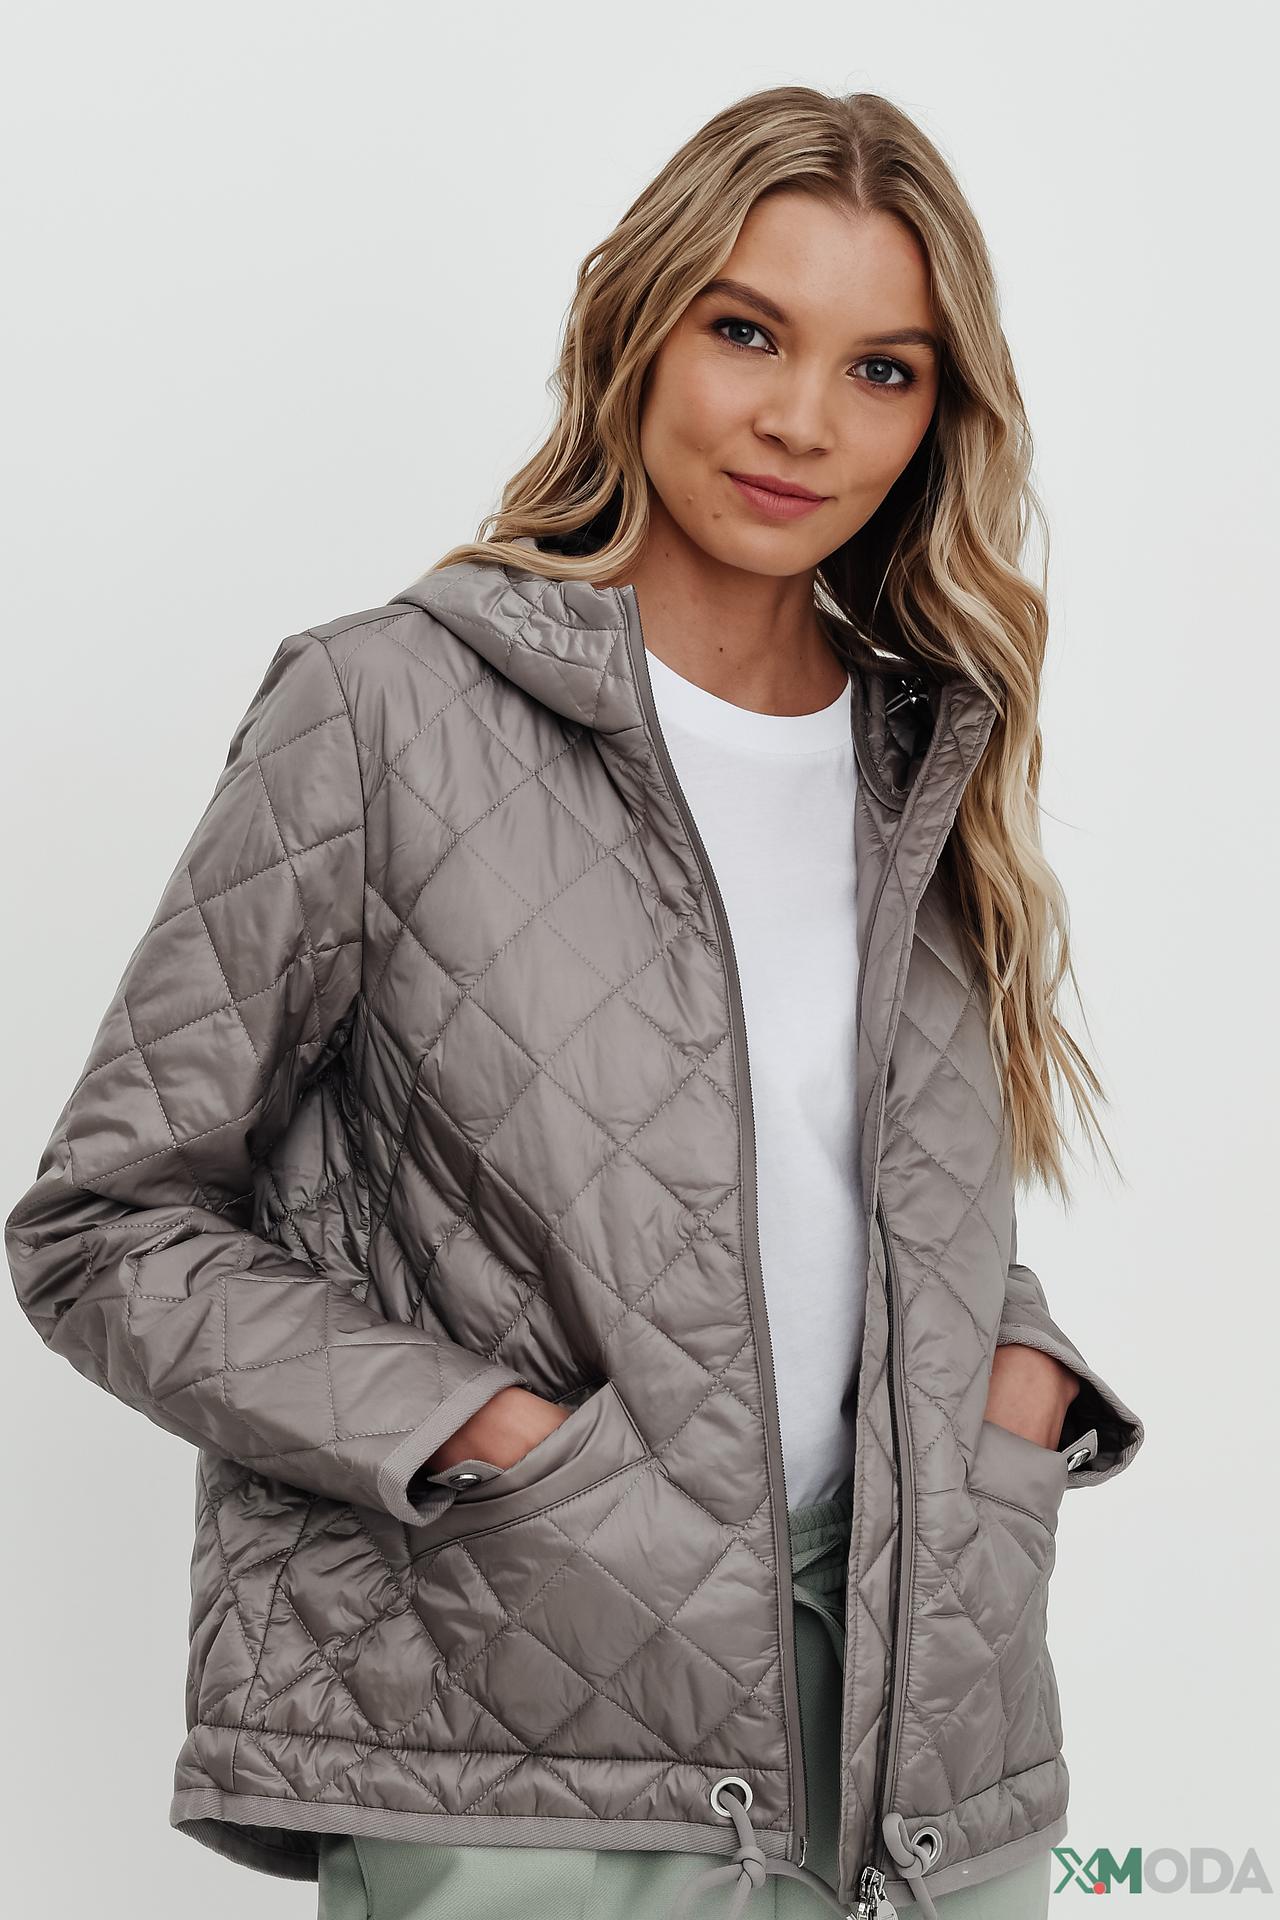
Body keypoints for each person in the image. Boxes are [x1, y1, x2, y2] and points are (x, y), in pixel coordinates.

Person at [4, 84, 1143, 1920]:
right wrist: (485, 1440)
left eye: (883, 370)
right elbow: (103, 1226)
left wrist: (1015, 1385)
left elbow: (849, 1192)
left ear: (939, 418)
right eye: (748, 331)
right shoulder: (386, 710)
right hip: (530, 1705)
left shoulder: (924, 760)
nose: (802, 419)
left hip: (923, 1731)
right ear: (638, 320)